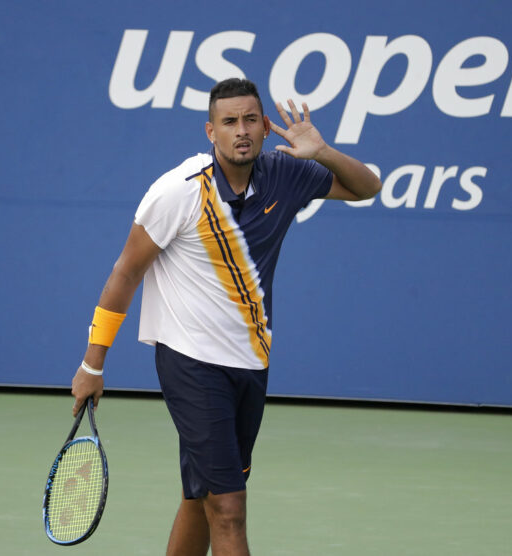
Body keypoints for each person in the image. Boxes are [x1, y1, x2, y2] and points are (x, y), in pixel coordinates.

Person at [70, 78, 382, 556]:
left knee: (200, 499)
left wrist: (322, 151)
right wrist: (93, 365)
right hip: (191, 364)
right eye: (230, 121)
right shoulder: (178, 191)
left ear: (263, 127)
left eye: (251, 120)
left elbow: (366, 188)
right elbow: (125, 273)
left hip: (251, 364)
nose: (242, 130)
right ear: (210, 132)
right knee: (230, 510)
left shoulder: (285, 174)